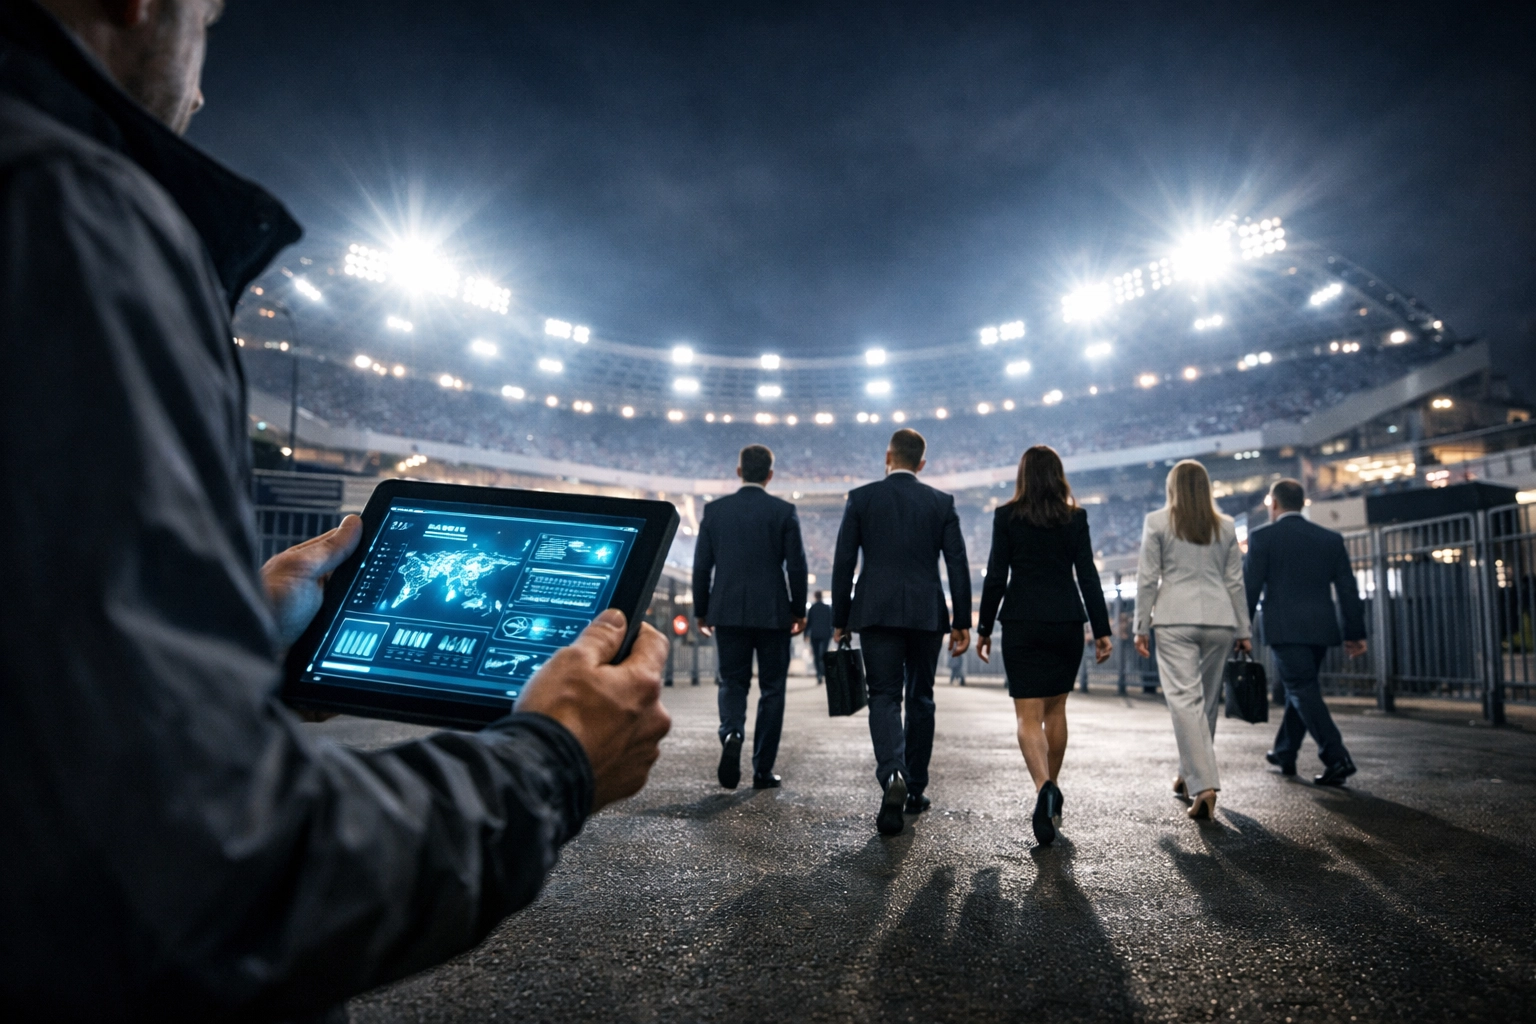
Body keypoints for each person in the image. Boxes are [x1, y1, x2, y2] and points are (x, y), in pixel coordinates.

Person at [0, 2, 670, 1019]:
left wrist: (223, 637)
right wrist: (554, 764)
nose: (202, 81)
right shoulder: (66, 208)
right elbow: (205, 874)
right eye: (207, 18)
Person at [832, 428, 971, 836]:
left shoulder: (861, 498)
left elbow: (843, 563)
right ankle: (914, 788)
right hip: (927, 611)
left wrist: (841, 618)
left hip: (876, 610)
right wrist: (962, 620)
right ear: (921, 464)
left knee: (885, 696)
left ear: (887, 456)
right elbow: (958, 564)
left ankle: (892, 774)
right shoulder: (941, 502)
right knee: (922, 696)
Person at [976, 446, 1113, 846]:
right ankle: (1051, 792)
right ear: (1059, 476)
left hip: (1021, 620)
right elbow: (1087, 574)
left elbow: (996, 576)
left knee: (1026, 716)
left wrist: (983, 627)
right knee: (1056, 709)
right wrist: (1101, 629)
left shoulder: (1006, 517)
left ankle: (1043, 788)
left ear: (1023, 476)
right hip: (1066, 622)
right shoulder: (1076, 518)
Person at [1133, 460, 1252, 821]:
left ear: (1172, 488)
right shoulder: (1227, 526)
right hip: (1219, 620)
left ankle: (1204, 786)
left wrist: (1141, 625)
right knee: (1206, 702)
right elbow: (1235, 582)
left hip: (1174, 619)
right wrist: (1244, 630)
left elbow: (1147, 578)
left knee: (1185, 700)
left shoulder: (1157, 522)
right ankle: (1189, 775)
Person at [693, 444, 808, 789]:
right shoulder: (784, 511)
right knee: (773, 690)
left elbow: (702, 567)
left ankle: (732, 731)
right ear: (770, 475)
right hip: (773, 613)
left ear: (738, 471)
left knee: (732, 682)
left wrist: (702, 610)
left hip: (727, 610)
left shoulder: (715, 511)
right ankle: (762, 769)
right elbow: (797, 566)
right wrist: (798, 610)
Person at [1244, 479, 1367, 786]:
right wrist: (1355, 632)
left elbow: (1249, 589)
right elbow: (1348, 589)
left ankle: (1337, 757)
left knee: (1300, 688)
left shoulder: (1262, 537)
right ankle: (1284, 751)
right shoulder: (1330, 538)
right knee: (1303, 687)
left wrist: (1241, 629)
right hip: (1322, 627)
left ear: (1274, 503)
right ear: (1302, 503)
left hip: (1284, 628)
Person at [806, 589, 833, 684]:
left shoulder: (812, 608)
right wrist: (832, 633)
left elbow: (808, 623)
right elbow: (831, 621)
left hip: (815, 635)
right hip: (826, 634)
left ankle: (819, 674)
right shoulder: (827, 608)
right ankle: (824, 672)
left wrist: (806, 634)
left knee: (816, 656)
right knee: (823, 655)